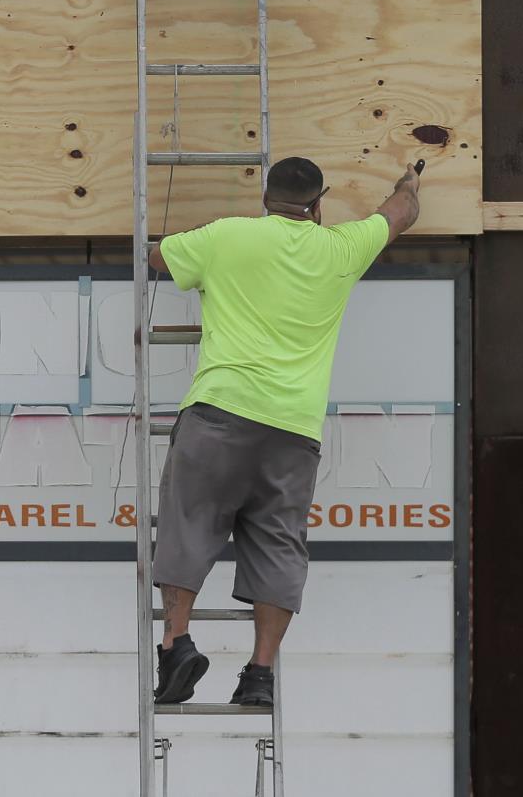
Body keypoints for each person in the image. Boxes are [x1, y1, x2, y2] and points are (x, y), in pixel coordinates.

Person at [149, 157, 421, 707]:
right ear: (318, 206)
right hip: (293, 431)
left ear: (265, 199)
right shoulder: (342, 248)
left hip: (219, 414)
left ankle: (176, 643)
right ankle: (259, 675)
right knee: (279, 546)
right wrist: (409, 181)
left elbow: (157, 256)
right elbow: (400, 213)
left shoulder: (228, 236)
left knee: (187, 525)